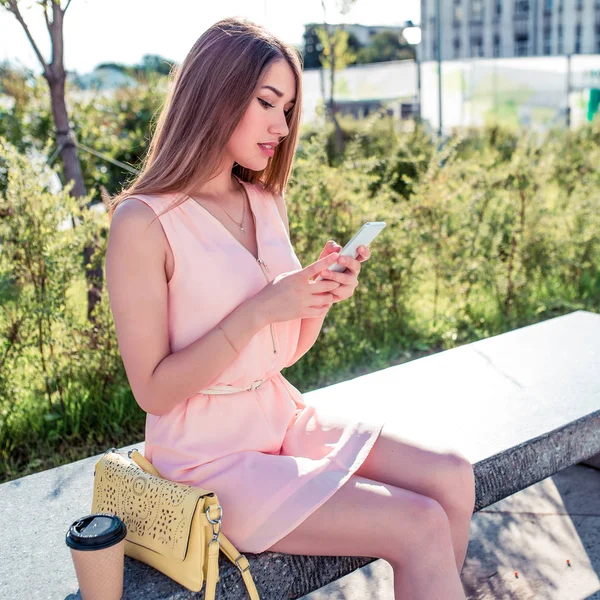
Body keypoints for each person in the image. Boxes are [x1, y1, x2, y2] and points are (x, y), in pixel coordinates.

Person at [105, 17, 475, 599]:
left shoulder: (263, 197)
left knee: (452, 476)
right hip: (206, 460)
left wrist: (318, 296)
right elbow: (152, 391)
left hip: (282, 420)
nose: (281, 126)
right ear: (215, 94)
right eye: (267, 103)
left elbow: (283, 351)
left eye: (288, 108)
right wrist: (259, 308)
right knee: (419, 524)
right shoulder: (142, 223)